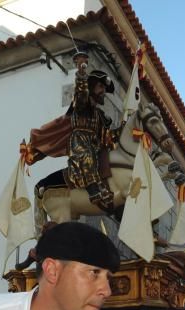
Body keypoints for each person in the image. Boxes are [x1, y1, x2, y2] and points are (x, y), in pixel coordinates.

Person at [30, 52, 118, 215]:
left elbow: (107, 136)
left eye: (104, 89)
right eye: (100, 87)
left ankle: (108, 192)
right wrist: (82, 72)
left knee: (104, 156)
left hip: (94, 143)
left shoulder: (100, 116)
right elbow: (81, 91)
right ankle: (93, 189)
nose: (103, 92)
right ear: (92, 87)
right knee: (86, 154)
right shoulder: (82, 104)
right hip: (79, 141)